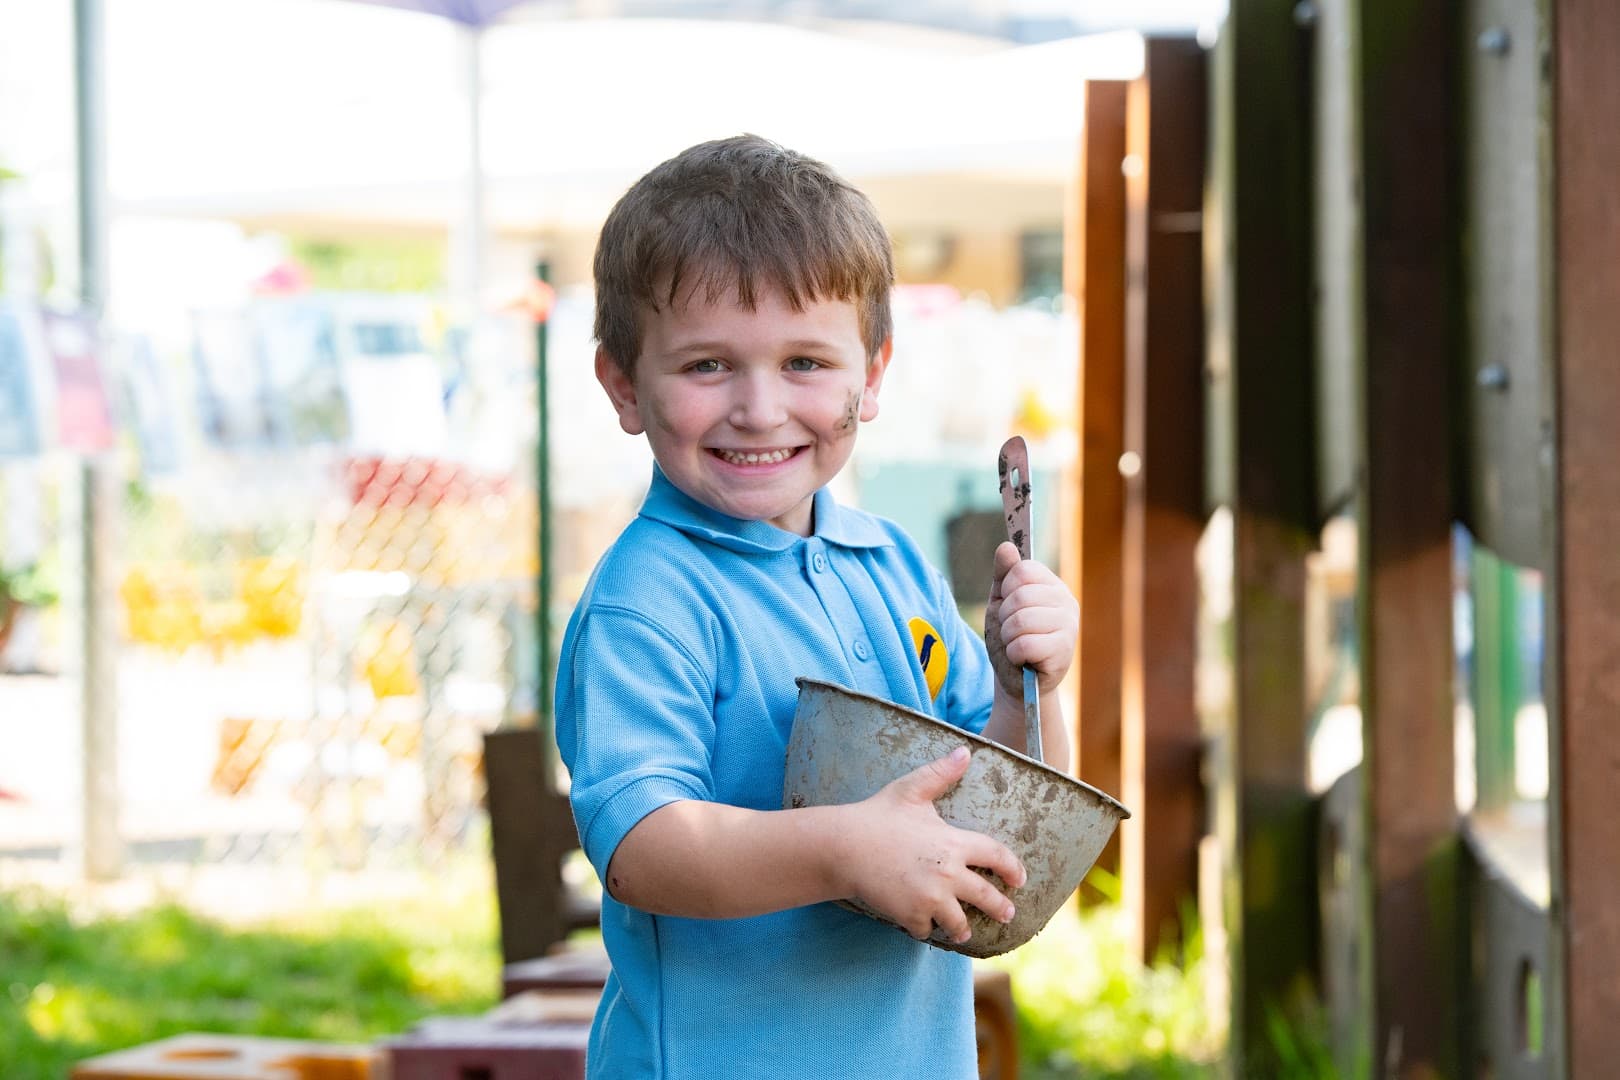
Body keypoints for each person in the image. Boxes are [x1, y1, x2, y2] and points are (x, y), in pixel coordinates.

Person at [555, 133, 1077, 1079]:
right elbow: (640, 847)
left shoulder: (893, 567)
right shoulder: (648, 601)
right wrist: (845, 848)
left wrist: (1025, 690)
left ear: (870, 374)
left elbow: (1008, 825)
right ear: (624, 385)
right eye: (707, 366)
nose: (760, 409)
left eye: (804, 362)